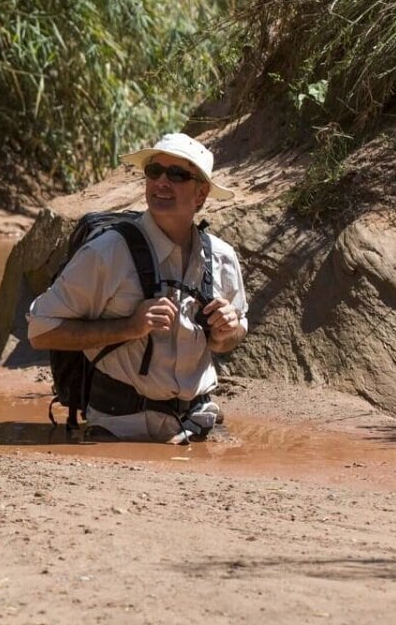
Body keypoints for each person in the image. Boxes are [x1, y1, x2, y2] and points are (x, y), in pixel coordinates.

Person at [26, 132, 248, 443]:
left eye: (177, 174)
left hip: (198, 423)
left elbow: (228, 342)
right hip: (119, 427)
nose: (161, 182)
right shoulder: (107, 252)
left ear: (201, 194)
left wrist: (228, 330)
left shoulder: (222, 257)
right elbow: (40, 330)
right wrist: (129, 327)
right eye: (154, 171)